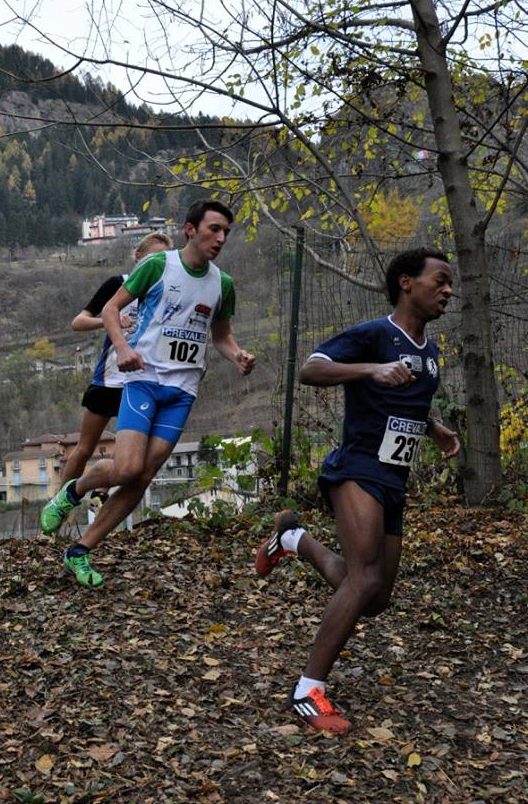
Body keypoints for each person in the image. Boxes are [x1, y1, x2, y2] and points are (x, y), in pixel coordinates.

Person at [255, 247, 461, 734]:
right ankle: (307, 691)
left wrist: (433, 427)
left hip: (393, 479)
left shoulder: (431, 354)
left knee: (374, 596)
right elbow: (310, 369)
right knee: (364, 579)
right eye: (440, 280)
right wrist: (370, 369)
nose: (448, 290)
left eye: (450, 283)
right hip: (357, 468)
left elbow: (407, 404)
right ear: (406, 282)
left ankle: (292, 539)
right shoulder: (374, 335)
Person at [41, 200, 256, 586]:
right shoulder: (158, 266)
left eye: (226, 231)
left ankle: (80, 551)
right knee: (127, 468)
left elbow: (222, 336)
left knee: (143, 477)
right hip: (144, 381)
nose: (221, 238)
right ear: (190, 229)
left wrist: (237, 355)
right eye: (214, 229)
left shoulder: (222, 284)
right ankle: (73, 491)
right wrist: (123, 348)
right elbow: (110, 310)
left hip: (182, 391)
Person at [60, 230, 173, 487]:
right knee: (84, 448)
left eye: (165, 260)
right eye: (154, 257)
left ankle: (101, 495)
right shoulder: (117, 285)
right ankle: (57, 502)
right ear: (138, 257)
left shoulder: (166, 293)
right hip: (109, 379)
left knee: (131, 457)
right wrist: (109, 320)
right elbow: (78, 322)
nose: (159, 264)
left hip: (143, 382)